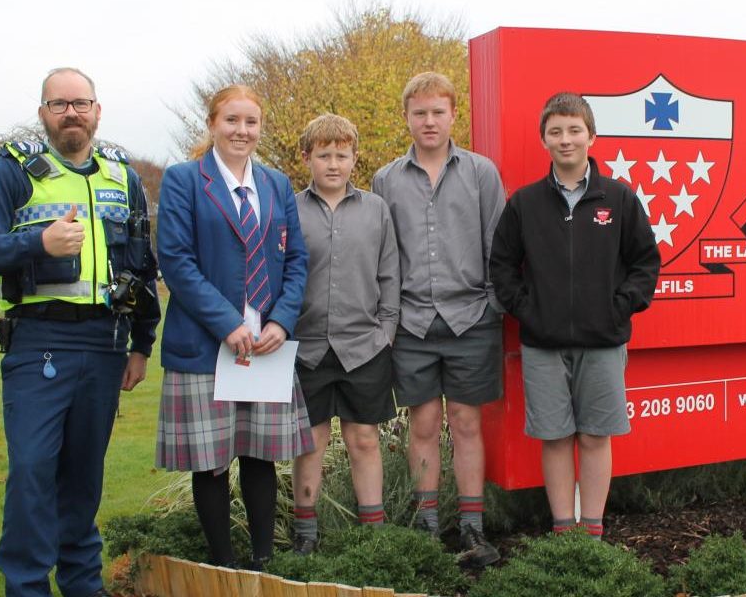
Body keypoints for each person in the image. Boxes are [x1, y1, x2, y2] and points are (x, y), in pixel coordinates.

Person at [0, 67, 161, 597]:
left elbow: (141, 266)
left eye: (81, 102)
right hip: (38, 343)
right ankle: (26, 587)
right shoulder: (15, 170)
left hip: (104, 346)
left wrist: (142, 344)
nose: (71, 112)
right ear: (43, 113)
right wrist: (36, 245)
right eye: (59, 104)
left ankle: (82, 585)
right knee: (31, 472)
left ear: (97, 111)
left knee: (83, 479)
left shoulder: (123, 178)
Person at [154, 84, 312, 570]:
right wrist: (226, 323)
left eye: (251, 122)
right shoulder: (184, 181)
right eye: (232, 121)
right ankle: (223, 563)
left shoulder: (276, 184)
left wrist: (282, 321)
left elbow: (297, 261)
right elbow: (176, 262)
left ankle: (263, 560)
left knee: (260, 456)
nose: (242, 131)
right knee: (213, 461)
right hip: (207, 345)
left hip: (265, 346)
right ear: (212, 124)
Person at [489, 92, 660, 539]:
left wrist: (618, 307)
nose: (565, 140)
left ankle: (593, 532)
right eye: (555, 131)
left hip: (602, 341)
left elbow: (646, 262)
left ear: (591, 136)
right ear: (544, 139)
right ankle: (564, 531)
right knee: (556, 436)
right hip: (542, 344)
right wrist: (528, 310)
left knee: (594, 436)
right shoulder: (524, 204)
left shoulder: (619, 199)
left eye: (574, 130)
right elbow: (501, 267)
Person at [370, 72, 506, 568]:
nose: (429, 121)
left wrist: (493, 304)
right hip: (412, 325)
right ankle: (427, 529)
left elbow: (499, 244)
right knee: (423, 424)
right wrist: (389, 317)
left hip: (472, 318)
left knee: (467, 424)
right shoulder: (385, 179)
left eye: (437, 112)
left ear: (454, 115)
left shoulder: (480, 173)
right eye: (419, 113)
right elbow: (382, 253)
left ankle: (472, 529)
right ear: (407, 117)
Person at [289, 114, 400, 554]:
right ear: (307, 158)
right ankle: (306, 533)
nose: (333, 164)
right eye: (323, 155)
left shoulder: (376, 209)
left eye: (341, 154)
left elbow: (389, 272)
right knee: (310, 442)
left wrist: (387, 329)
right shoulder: (289, 209)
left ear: (354, 156)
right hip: (307, 348)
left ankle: (373, 532)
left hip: (364, 347)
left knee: (364, 439)